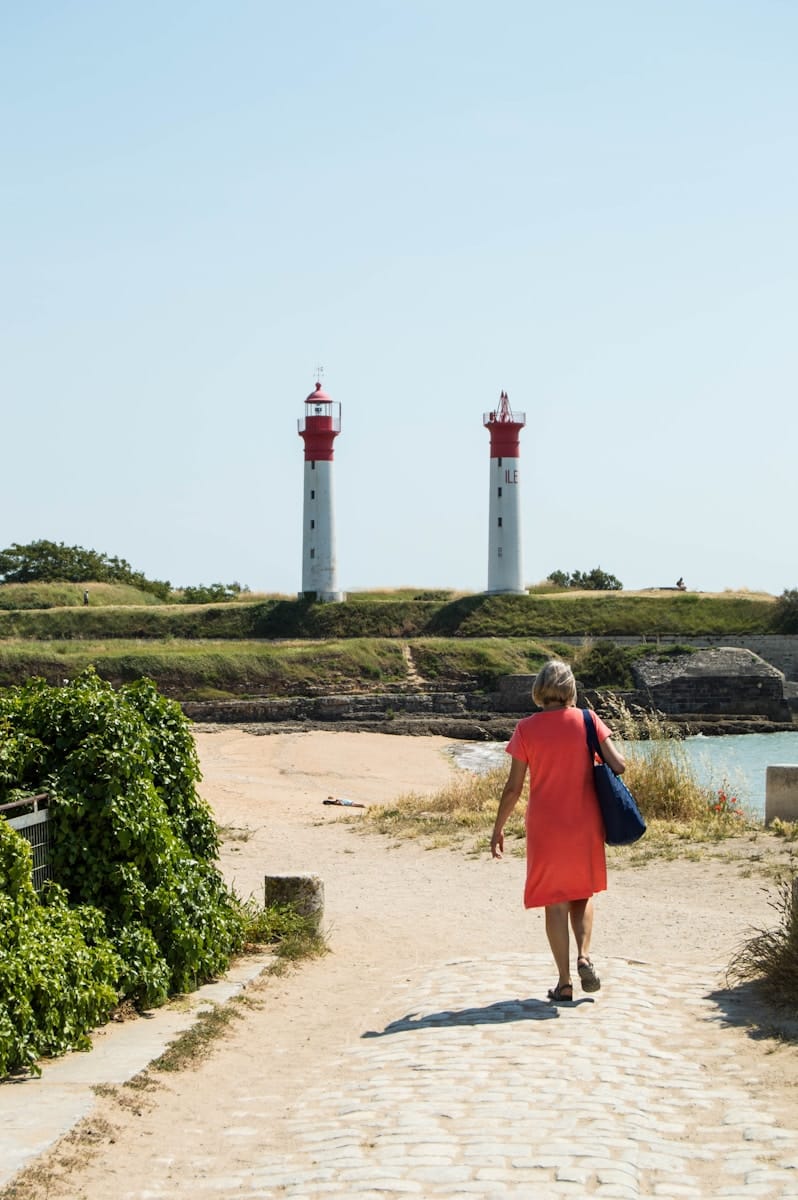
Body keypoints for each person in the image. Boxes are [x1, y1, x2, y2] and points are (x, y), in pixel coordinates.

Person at [490, 659, 626, 1003]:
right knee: (583, 893)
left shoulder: (526, 728)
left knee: (555, 902)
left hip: (545, 826)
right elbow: (619, 764)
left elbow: (513, 787)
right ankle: (584, 956)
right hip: (584, 822)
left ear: (539, 689)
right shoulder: (587, 719)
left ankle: (564, 983)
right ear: (570, 687)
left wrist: (498, 828)